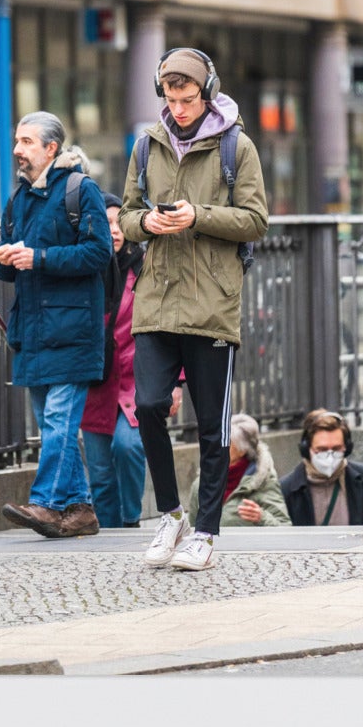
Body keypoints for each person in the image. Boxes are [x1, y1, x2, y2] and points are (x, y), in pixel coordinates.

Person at [118, 46, 268, 572]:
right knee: (150, 406)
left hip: (212, 305)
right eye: (171, 98)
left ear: (207, 92)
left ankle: (205, 531)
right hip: (156, 299)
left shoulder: (237, 147)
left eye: (188, 98)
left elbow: (254, 220)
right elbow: (128, 216)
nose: (179, 108)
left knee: (211, 426)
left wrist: (197, 216)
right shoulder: (145, 145)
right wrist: (147, 225)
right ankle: (171, 515)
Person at [0, 112, 112, 538]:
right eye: (17, 141)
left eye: (26, 142)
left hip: (73, 331)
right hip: (34, 331)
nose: (17, 150)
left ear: (51, 149)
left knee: (59, 422)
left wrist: (39, 258)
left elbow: (100, 253)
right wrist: (3, 259)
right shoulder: (19, 199)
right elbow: (8, 269)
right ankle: (80, 510)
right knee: (51, 426)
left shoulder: (82, 191)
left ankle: (44, 503)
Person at [81, 209, 147, 528]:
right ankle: (109, 535)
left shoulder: (144, 269)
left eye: (120, 222)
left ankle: (131, 518)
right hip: (96, 383)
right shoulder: (86, 272)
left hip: (136, 382)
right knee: (101, 474)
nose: (115, 230)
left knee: (128, 445)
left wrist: (177, 381)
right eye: (106, 223)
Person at [280, 407, 363, 527]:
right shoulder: (287, 488)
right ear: (307, 449)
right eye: (322, 449)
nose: (330, 455)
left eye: (336, 448)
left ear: (347, 448)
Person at [219, 412, 291, 528]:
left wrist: (262, 518)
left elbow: (285, 528)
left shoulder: (264, 482)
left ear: (242, 449)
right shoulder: (202, 483)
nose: (218, 446)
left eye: (226, 442)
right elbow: (191, 531)